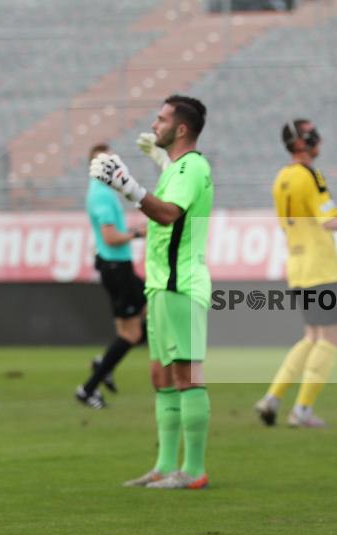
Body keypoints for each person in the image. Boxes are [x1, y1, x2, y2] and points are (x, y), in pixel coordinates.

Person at [90, 95, 213, 490]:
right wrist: (157, 166)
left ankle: (193, 470)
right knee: (161, 375)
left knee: (187, 375)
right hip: (160, 285)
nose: (154, 124)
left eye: (161, 119)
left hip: (182, 285)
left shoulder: (193, 166)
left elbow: (168, 213)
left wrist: (127, 185)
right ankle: (164, 465)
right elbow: (169, 200)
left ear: (180, 129)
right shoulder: (177, 167)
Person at [254, 119, 337, 428]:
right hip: (320, 265)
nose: (318, 139)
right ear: (302, 143)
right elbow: (328, 219)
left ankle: (272, 398)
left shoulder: (281, 177)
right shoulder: (310, 175)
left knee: (311, 335)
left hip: (296, 266)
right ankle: (302, 410)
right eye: (312, 135)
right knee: (330, 337)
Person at [75, 143, 147, 410]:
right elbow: (109, 237)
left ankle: (103, 365)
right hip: (117, 268)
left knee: (146, 315)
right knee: (132, 333)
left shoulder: (103, 191)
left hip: (116, 267)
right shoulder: (101, 195)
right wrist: (139, 233)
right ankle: (89, 387)